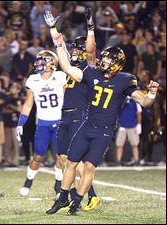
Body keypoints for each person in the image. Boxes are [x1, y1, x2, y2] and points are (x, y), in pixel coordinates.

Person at [44, 9, 159, 215]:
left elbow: (144, 102)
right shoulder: (92, 73)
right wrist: (57, 39)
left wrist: (150, 94)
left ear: (116, 64)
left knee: (89, 168)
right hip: (87, 124)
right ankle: (62, 198)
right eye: (103, 59)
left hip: (104, 131)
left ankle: (76, 203)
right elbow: (69, 67)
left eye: (107, 60)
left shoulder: (125, 80)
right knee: (70, 162)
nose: (103, 62)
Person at [46, 35, 100, 215]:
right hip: (66, 114)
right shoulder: (74, 67)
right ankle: (69, 196)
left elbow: (72, 61)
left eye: (78, 49)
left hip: (79, 113)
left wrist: (90, 30)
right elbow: (63, 61)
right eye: (73, 49)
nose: (74, 52)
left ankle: (91, 195)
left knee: (75, 161)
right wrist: (57, 39)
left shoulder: (89, 67)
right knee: (61, 158)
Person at [16, 50, 66, 197]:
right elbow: (27, 105)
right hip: (43, 123)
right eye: (38, 61)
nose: (38, 64)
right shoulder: (33, 80)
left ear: (52, 63)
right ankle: (28, 181)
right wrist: (21, 123)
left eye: (42, 61)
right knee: (38, 156)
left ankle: (58, 184)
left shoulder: (61, 77)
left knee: (60, 157)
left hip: (60, 122)